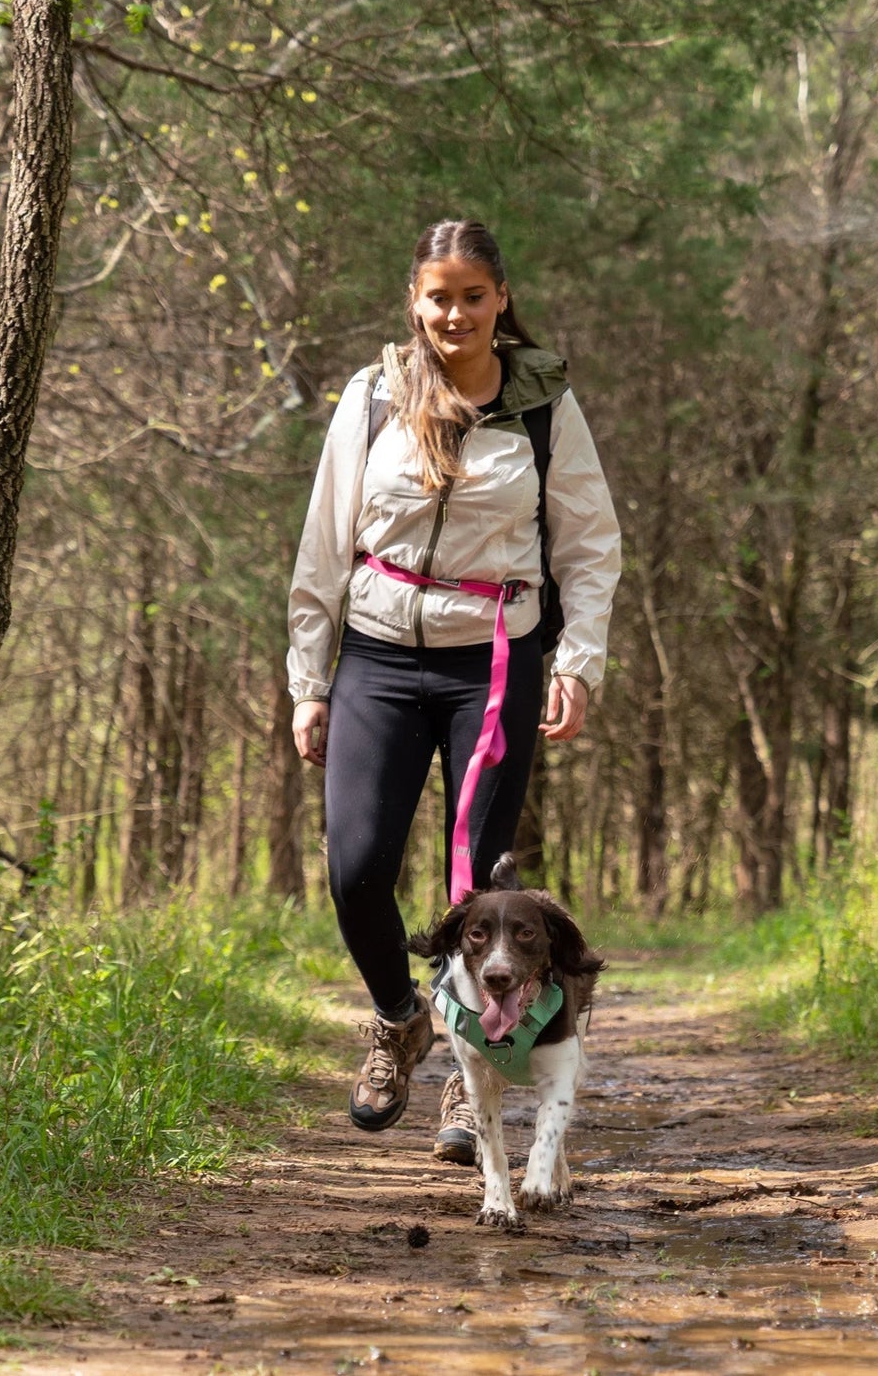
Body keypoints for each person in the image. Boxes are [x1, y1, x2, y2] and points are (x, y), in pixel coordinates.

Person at [286, 218, 621, 1164]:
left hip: (497, 660)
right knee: (354, 869)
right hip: (379, 654)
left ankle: (474, 1093)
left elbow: (590, 546)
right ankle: (401, 1020)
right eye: (438, 295)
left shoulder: (544, 405)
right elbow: (323, 545)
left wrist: (576, 660)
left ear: (500, 300)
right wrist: (309, 681)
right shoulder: (371, 398)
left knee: (474, 887)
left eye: (473, 295)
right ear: (413, 300)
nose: (454, 313)